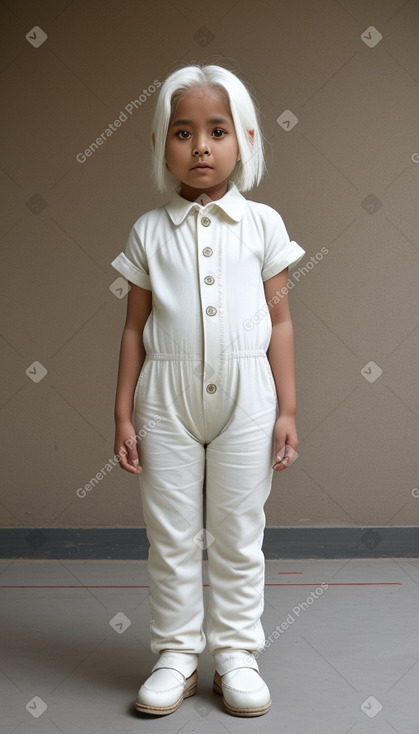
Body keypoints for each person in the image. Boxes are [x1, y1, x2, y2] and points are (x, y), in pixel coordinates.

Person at [111, 62, 305, 718]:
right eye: (183, 132)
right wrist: (123, 412)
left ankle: (236, 656)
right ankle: (174, 655)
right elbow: (134, 328)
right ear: (162, 145)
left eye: (216, 130)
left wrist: (287, 409)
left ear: (243, 139)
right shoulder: (146, 231)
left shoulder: (263, 226)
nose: (200, 146)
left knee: (237, 531)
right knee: (169, 534)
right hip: (164, 398)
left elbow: (279, 320)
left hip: (247, 395)